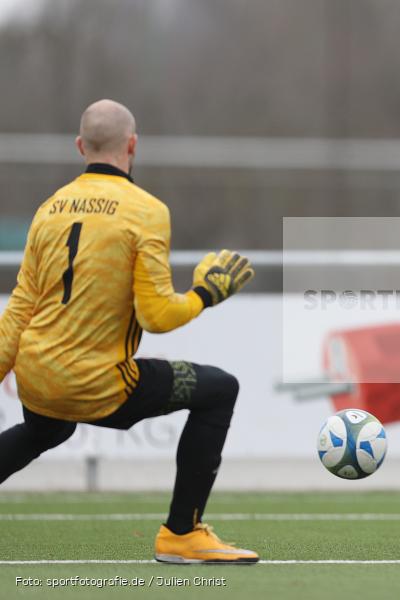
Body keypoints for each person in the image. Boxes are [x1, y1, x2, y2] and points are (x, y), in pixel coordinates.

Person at [0, 99, 258, 564]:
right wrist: (206, 293)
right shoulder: (146, 211)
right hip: (95, 384)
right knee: (220, 389)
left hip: (35, 377)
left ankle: (183, 532)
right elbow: (157, 315)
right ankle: (182, 533)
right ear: (133, 145)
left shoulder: (49, 209)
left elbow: (20, 307)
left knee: (46, 430)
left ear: (80, 146)